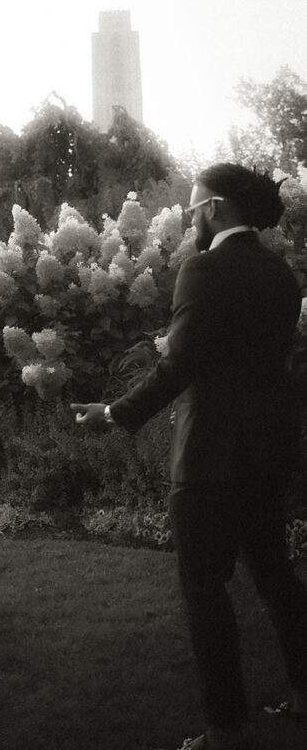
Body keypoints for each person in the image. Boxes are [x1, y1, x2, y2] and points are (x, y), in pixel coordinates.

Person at [72, 163, 307, 750]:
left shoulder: (203, 269)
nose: (189, 217)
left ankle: (225, 728)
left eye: (194, 205)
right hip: (268, 451)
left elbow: (180, 366)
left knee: (205, 588)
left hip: (209, 457)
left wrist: (114, 412)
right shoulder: (281, 274)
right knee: (277, 576)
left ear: (215, 209)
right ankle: (305, 691)